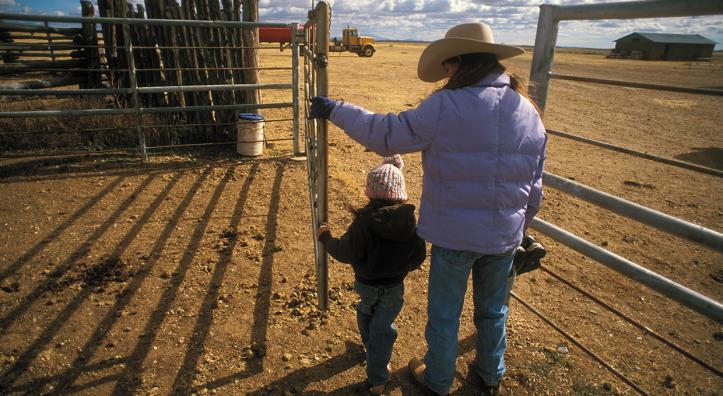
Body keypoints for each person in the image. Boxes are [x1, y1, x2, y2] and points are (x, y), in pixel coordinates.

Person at [309, 22, 547, 396]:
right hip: (504, 237)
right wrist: (520, 227)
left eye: (448, 68)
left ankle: (437, 379)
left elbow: (385, 132)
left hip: (454, 237)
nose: (447, 75)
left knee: (445, 314)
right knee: (494, 310)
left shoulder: (446, 106)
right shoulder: (528, 110)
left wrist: (336, 110)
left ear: (458, 64)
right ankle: (490, 373)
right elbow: (534, 186)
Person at [316, 154, 426, 395]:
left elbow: (345, 252)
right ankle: (374, 352)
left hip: (366, 285)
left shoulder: (364, 223)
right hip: (395, 287)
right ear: (401, 192)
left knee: (369, 317)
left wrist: (326, 238)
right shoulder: (410, 222)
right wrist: (401, 266)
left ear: (370, 192)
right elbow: (418, 257)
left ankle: (377, 380)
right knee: (380, 324)